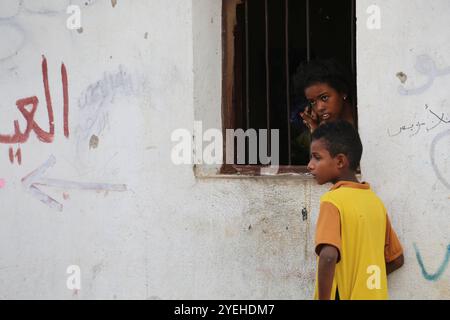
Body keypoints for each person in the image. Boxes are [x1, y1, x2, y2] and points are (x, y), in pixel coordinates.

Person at [307, 120, 404, 300]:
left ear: (340, 161)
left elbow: (328, 256)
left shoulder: (332, 200)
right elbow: (396, 259)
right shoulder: (375, 202)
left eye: (317, 157)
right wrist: (365, 281)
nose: (310, 165)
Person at [290, 59, 357, 164]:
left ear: (343, 92)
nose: (319, 108)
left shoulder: (364, 123)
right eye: (312, 102)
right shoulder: (321, 128)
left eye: (324, 98)